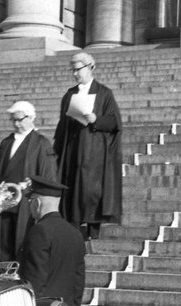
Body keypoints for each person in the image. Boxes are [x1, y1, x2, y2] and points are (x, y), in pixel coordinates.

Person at [53, 51, 122, 244]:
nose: (75, 74)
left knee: (92, 189)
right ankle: (74, 225)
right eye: (73, 70)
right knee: (73, 186)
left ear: (91, 67)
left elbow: (114, 122)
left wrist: (96, 119)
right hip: (73, 149)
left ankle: (93, 228)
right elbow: (62, 124)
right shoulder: (70, 94)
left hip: (95, 150)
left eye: (78, 69)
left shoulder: (104, 93)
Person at [0, 100, 57, 271]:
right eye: (13, 120)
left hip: (27, 205)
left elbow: (48, 177)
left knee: (22, 245)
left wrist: (28, 185)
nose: (16, 124)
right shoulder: (7, 142)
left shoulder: (41, 143)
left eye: (20, 119)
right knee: (3, 246)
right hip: (4, 203)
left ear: (31, 118)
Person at [18, 175, 86, 306]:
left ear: (37, 202)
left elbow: (34, 280)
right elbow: (78, 282)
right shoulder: (75, 233)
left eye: (30, 200)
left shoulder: (39, 231)